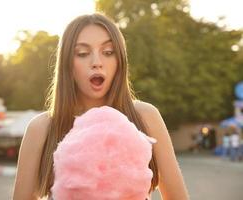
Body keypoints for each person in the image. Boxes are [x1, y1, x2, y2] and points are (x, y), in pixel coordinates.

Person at [13, 13, 189, 200]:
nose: (97, 62)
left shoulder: (146, 116)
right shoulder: (41, 129)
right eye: (82, 53)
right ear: (67, 64)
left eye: (108, 52)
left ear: (119, 61)